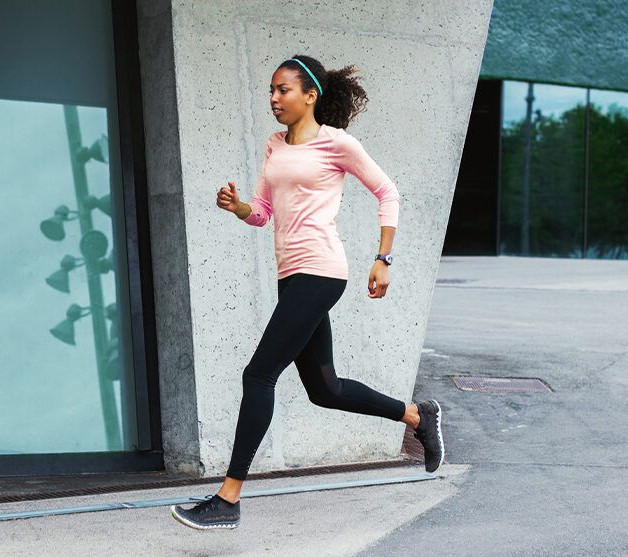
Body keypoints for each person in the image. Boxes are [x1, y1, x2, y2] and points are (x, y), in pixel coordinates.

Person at [170, 54, 445, 531]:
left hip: (322, 271)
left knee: (258, 375)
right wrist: (238, 206)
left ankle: (228, 499)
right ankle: (418, 416)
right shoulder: (274, 145)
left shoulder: (336, 143)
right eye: (271, 92)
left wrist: (383, 259)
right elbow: (262, 213)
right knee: (325, 389)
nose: (274, 99)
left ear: (310, 95)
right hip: (292, 275)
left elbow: (388, 192)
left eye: (283, 90)